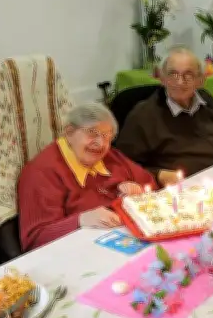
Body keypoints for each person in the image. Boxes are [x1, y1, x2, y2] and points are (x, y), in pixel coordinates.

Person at [18, 103, 155, 249]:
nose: (101, 143)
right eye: (92, 133)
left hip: (127, 239)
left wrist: (136, 189)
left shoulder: (111, 157)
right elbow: (35, 238)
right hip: (79, 252)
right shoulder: (42, 172)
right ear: (69, 132)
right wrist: (80, 220)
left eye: (106, 137)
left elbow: (151, 185)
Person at [115, 47, 213, 186]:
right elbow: (122, 165)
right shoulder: (143, 114)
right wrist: (158, 174)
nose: (180, 82)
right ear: (162, 78)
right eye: (173, 74)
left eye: (188, 75)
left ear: (200, 79)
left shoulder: (207, 100)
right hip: (179, 189)